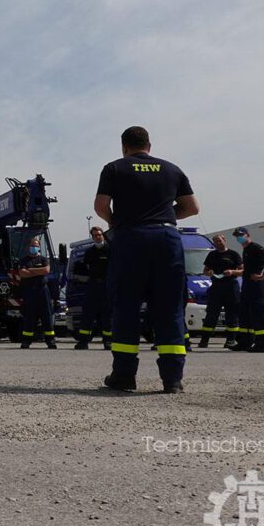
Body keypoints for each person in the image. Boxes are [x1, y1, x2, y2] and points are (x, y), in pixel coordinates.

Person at [95, 126, 199, 393]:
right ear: (149, 146)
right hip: (167, 238)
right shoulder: (172, 169)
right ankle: (172, 380)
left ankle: (124, 376)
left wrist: (116, 222)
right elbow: (192, 207)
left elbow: (101, 206)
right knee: (169, 307)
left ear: (124, 146)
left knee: (126, 305)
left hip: (131, 237)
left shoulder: (115, 168)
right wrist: (163, 216)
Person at [232, 227, 264, 353]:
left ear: (247, 235)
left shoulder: (255, 247)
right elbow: (247, 270)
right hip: (247, 284)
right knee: (245, 313)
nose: (239, 238)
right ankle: (245, 342)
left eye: (241, 235)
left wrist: (263, 275)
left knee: (259, 314)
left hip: (256, 284)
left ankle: (263, 344)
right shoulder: (246, 250)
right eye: (237, 236)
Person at [198, 234, 242, 349]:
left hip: (231, 287)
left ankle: (231, 340)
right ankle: (204, 340)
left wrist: (232, 272)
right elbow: (205, 270)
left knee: (232, 314)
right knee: (211, 314)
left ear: (224, 240)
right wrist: (209, 273)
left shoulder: (233, 254)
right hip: (216, 287)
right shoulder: (212, 255)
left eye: (219, 241)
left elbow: (243, 270)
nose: (218, 243)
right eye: (216, 242)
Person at [73, 227, 112, 350]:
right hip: (93, 286)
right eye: (95, 235)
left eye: (99, 235)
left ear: (103, 236)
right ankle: (83, 341)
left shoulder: (110, 250)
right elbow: (86, 267)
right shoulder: (89, 252)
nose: (97, 237)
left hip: (106, 286)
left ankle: (108, 341)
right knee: (87, 315)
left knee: (107, 315)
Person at [16, 236, 55, 349]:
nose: (34, 247)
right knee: (29, 316)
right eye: (32, 245)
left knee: (47, 315)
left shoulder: (43, 259)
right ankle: (26, 341)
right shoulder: (23, 260)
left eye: (36, 245)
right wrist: (39, 272)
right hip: (29, 290)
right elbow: (22, 273)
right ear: (28, 247)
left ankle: (50, 340)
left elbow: (46, 270)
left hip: (43, 290)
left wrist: (31, 270)